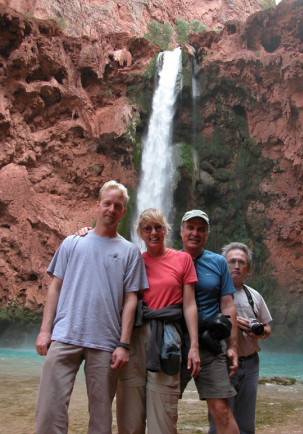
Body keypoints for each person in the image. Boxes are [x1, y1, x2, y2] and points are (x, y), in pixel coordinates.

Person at [35, 180, 149, 434]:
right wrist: (45, 330)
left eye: (117, 206)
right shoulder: (73, 242)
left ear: (122, 212)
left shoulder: (130, 252)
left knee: (101, 418)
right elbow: (55, 287)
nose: (111, 209)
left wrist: (123, 344)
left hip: (106, 342)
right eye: (107, 203)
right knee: (48, 412)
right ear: (97, 205)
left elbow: (131, 299)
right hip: (65, 334)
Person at [116, 208, 200, 434]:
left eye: (158, 227)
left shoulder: (183, 259)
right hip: (135, 335)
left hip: (168, 336)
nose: (153, 232)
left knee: (163, 417)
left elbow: (189, 305)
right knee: (129, 415)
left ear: (166, 229)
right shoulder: (133, 259)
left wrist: (194, 346)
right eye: (147, 228)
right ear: (140, 233)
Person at [179, 210, 239, 434]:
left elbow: (227, 306)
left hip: (210, 343)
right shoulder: (170, 259)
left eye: (201, 229)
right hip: (176, 343)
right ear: (181, 230)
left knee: (221, 410)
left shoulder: (218, 263)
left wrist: (233, 346)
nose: (195, 233)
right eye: (190, 227)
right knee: (165, 407)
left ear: (206, 234)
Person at [208, 242, 272, 434]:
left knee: (246, 422)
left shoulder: (254, 296)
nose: (236, 266)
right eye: (232, 261)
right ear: (222, 265)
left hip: (251, 364)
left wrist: (259, 332)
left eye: (241, 262)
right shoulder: (212, 294)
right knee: (220, 420)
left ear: (248, 268)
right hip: (222, 363)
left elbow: (267, 328)